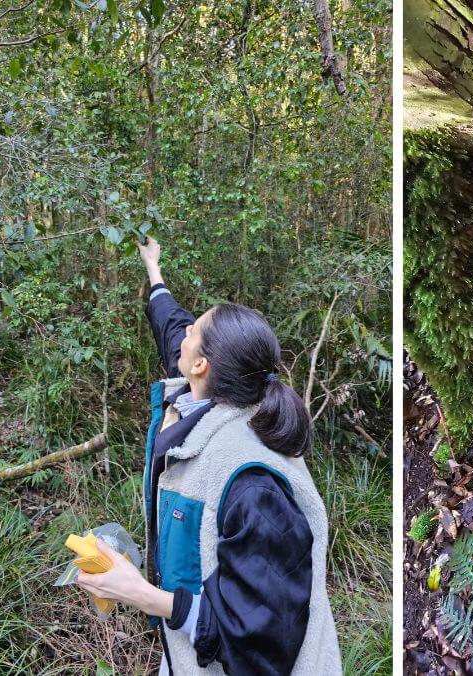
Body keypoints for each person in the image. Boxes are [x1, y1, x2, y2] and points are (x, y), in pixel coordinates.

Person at [75, 237, 342, 675]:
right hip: (187, 658)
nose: (182, 335)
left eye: (192, 332)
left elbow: (259, 640)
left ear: (202, 365)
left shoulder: (254, 485)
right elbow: (170, 325)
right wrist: (153, 269)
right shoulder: (223, 396)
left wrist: (137, 591)